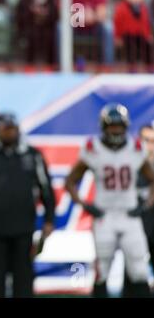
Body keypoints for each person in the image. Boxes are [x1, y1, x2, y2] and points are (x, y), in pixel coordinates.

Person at [65, 104, 154, 298]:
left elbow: (152, 178)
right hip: (104, 215)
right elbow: (70, 180)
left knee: (139, 269)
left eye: (119, 126)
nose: (115, 130)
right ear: (103, 127)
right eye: (112, 126)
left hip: (130, 216)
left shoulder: (135, 147)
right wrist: (85, 205)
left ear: (126, 126)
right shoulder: (93, 148)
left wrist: (146, 204)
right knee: (102, 270)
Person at [0, 113, 55, 298]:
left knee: (23, 282)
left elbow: (46, 189)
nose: (9, 132)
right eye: (5, 128)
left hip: (24, 230)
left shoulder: (33, 156)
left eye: (12, 128)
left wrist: (49, 219)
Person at [122, 123, 154, 296]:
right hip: (135, 226)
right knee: (132, 275)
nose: (149, 146)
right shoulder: (128, 166)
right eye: (145, 140)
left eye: (152, 141)